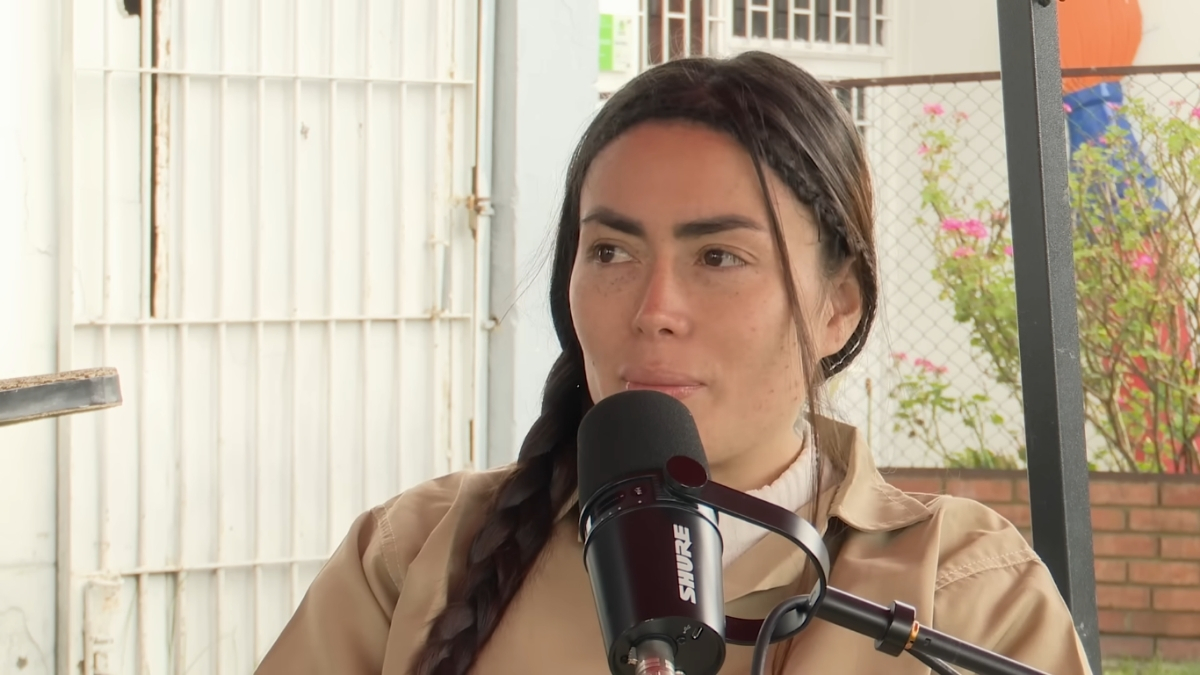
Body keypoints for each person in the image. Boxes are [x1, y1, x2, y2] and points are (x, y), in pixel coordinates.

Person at [254, 51, 1093, 675]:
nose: (653, 309)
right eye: (611, 251)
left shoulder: (963, 590)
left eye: (719, 257)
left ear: (838, 304)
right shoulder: (418, 554)